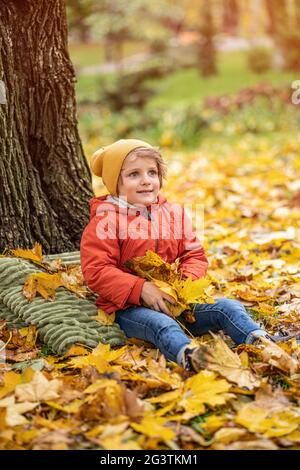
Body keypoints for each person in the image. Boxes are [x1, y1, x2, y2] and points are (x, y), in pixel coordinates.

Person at [80, 138, 295, 372]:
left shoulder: (172, 213)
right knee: (161, 325)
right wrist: (140, 289)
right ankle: (191, 357)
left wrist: (183, 286)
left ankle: (260, 341)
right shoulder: (106, 221)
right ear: (115, 183)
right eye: (134, 174)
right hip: (129, 307)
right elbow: (97, 270)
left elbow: (194, 255)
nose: (146, 181)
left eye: (152, 172)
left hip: (175, 299)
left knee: (228, 308)